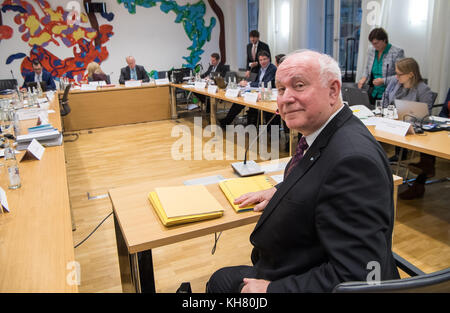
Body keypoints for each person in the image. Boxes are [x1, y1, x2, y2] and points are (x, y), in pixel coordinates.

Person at [207, 50, 399, 293]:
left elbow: (360, 276)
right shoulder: (327, 131)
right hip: (301, 259)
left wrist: (272, 290)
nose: (285, 98)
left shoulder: (353, 163)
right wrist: (281, 189)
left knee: (220, 282)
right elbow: (316, 175)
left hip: (300, 276)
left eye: (298, 86)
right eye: (280, 89)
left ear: (333, 90)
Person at [383, 57, 434, 169]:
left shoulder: (423, 89)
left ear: (410, 74)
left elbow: (425, 114)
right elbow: (386, 96)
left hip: (414, 127)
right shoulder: (396, 83)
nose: (396, 77)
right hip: (396, 122)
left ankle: (426, 169)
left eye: (399, 74)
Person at [400, 88, 450, 200]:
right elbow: (444, 111)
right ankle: (425, 171)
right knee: (427, 135)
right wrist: (442, 123)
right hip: (447, 127)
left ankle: (424, 174)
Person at [219, 50, 276, 127]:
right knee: (239, 102)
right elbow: (258, 82)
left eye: (265, 59)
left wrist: (249, 84)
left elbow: (265, 83)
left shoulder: (272, 68)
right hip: (258, 92)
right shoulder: (261, 69)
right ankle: (227, 121)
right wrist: (247, 84)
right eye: (260, 60)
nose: (263, 62)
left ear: (269, 59)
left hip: (267, 95)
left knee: (244, 101)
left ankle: (227, 121)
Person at [358, 28, 404, 105]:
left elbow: (400, 75)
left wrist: (383, 80)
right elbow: (367, 68)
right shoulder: (371, 50)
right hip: (373, 90)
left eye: (376, 43)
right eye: (372, 43)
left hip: (389, 92)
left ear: (384, 40)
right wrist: (363, 78)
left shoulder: (397, 52)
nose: (374, 46)